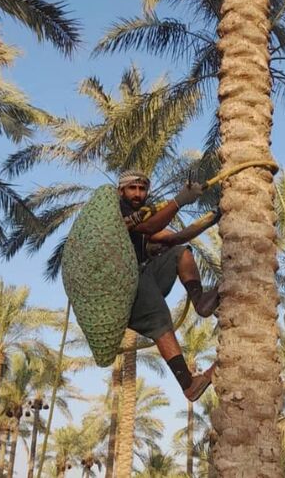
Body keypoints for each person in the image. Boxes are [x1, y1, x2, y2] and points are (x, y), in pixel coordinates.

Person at [117, 170, 219, 401]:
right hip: (125, 285)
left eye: (142, 189)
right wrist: (180, 200)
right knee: (160, 320)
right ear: (120, 191)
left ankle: (200, 302)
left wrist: (213, 217)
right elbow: (149, 227)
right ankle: (188, 385)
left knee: (179, 253)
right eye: (132, 188)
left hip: (144, 274)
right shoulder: (116, 214)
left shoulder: (141, 218)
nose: (137, 194)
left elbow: (175, 237)